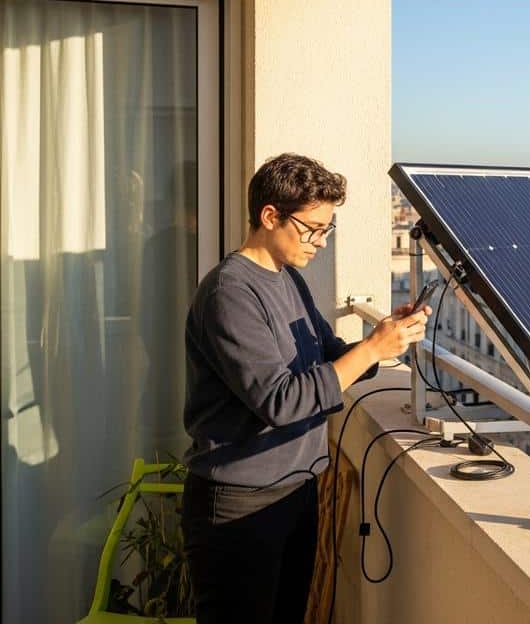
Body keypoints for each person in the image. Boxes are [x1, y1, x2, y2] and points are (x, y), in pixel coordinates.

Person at [180, 153, 429, 623]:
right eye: (313, 228)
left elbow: (330, 356)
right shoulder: (229, 292)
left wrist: (384, 338)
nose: (320, 242)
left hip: (293, 490)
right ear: (270, 216)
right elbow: (280, 399)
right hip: (239, 503)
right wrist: (372, 350)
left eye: (327, 229)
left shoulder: (287, 279)